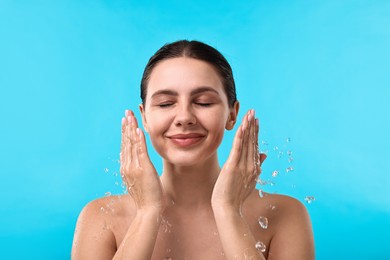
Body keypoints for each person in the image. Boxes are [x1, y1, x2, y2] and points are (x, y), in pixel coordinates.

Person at [71, 40, 314, 260]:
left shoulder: (285, 215)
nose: (184, 117)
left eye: (203, 102)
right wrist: (148, 212)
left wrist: (228, 210)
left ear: (232, 114)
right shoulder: (101, 218)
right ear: (144, 117)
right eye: (166, 103)